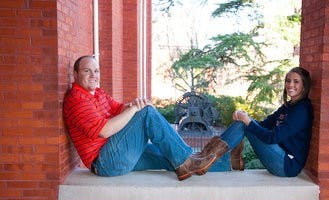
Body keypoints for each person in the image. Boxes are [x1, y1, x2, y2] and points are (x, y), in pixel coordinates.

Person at [63, 55, 219, 180]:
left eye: (96, 71)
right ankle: (187, 161)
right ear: (75, 74)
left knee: (169, 155)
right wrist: (139, 110)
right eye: (87, 71)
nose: (93, 75)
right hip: (106, 161)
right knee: (146, 114)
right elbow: (104, 130)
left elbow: (119, 109)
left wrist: (137, 104)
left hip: (117, 151)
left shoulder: (98, 93)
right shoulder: (77, 99)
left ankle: (223, 161)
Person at [198, 67, 313, 177]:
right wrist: (245, 117)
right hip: (278, 156)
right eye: (288, 81)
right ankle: (215, 158)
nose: (290, 85)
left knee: (244, 124)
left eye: (296, 81)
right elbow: (263, 125)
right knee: (243, 123)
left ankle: (205, 159)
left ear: (304, 86)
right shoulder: (288, 106)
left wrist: (247, 121)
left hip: (287, 164)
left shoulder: (302, 110)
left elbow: (271, 138)